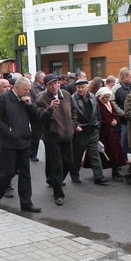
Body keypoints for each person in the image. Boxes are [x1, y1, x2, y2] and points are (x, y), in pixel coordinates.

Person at [0, 77, 41, 213]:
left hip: (24, 142)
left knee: (25, 174)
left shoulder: (26, 100)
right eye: (25, 89)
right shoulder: (3, 99)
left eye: (28, 89)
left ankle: (26, 203)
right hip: (8, 143)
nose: (27, 92)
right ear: (16, 88)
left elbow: (36, 118)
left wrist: (30, 105)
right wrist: (8, 132)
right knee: (8, 173)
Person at [36, 74, 76, 206]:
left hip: (67, 135)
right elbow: (40, 117)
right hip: (52, 137)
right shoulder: (42, 98)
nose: (54, 86)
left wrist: (73, 125)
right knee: (57, 166)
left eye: (56, 83)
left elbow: (74, 111)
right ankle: (58, 194)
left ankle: (55, 180)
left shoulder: (66, 94)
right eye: (51, 84)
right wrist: (50, 108)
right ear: (46, 86)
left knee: (69, 162)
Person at [70, 79, 108, 185]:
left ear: (87, 87)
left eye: (83, 87)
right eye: (79, 87)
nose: (81, 89)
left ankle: (99, 177)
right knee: (77, 155)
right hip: (81, 131)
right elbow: (71, 115)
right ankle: (75, 175)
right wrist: (75, 126)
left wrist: (98, 124)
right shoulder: (72, 99)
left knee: (94, 154)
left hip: (93, 129)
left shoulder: (92, 96)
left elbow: (97, 112)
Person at [95, 87, 126, 182]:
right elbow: (98, 119)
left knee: (115, 151)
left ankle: (115, 170)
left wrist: (115, 120)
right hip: (103, 133)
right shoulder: (97, 105)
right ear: (101, 97)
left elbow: (115, 114)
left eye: (108, 97)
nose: (108, 99)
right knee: (102, 152)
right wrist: (109, 122)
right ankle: (99, 174)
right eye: (106, 97)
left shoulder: (109, 103)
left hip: (112, 132)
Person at [29, 71, 46, 161]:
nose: (45, 78)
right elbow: (31, 102)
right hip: (36, 115)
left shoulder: (45, 87)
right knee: (36, 136)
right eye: (43, 77)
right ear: (38, 78)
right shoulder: (32, 88)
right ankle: (32, 154)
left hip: (45, 113)